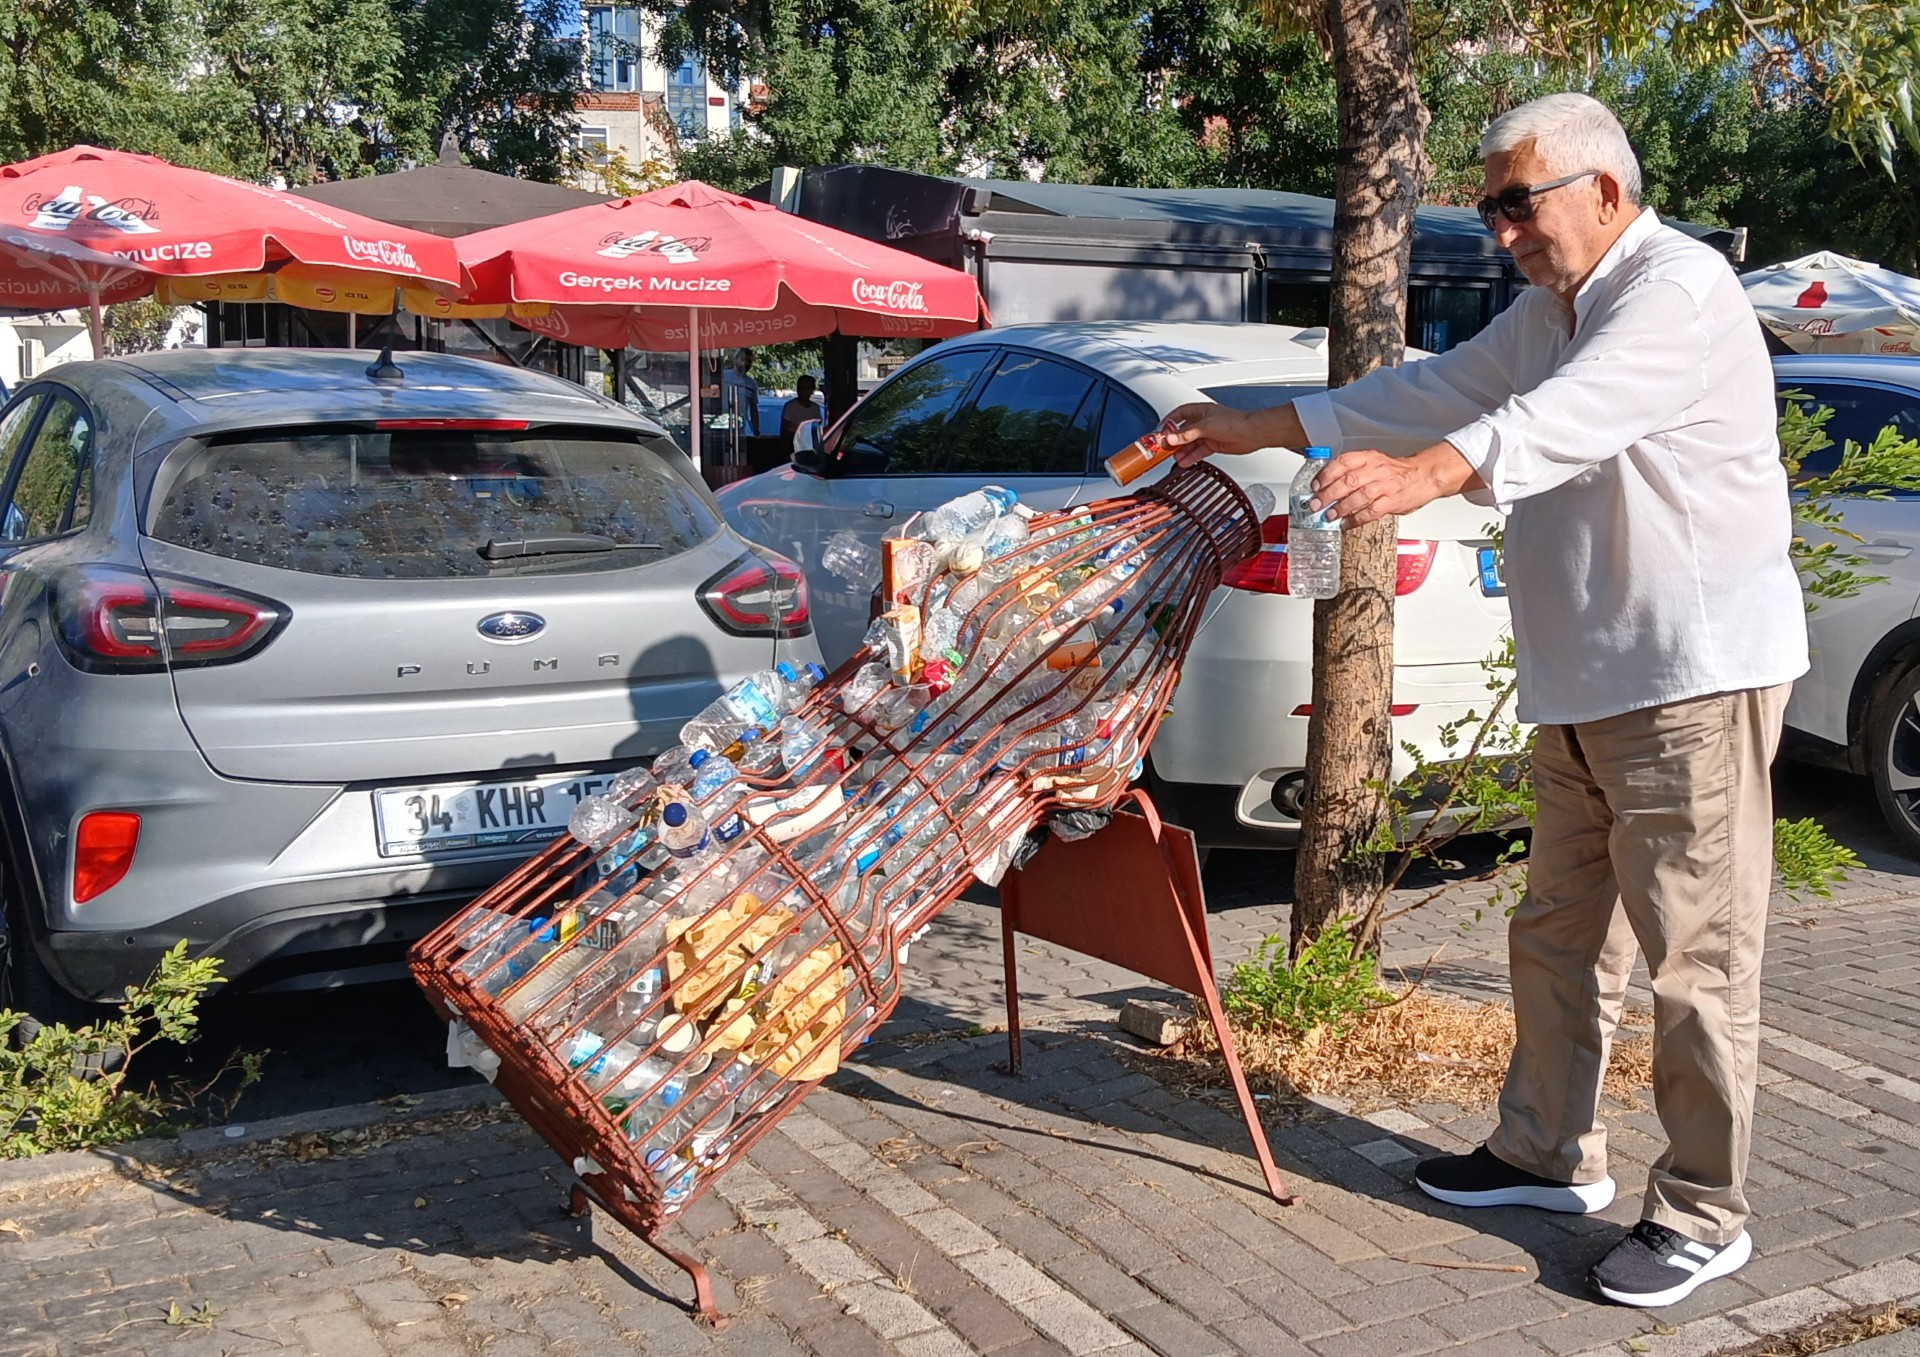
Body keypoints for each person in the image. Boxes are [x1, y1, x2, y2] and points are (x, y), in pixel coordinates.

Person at [1165, 92, 1807, 1309]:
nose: (1500, 228)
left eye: (1519, 201)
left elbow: (1556, 422)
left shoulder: (1674, 292)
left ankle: (1705, 1211)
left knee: (1697, 965)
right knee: (1558, 937)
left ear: (1604, 194)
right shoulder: (1551, 308)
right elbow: (1437, 387)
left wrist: (1424, 478)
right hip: (1584, 681)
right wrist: (1248, 426)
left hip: (1691, 679)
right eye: (1488, 205)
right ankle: (1546, 1154)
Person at [722, 348, 761, 436]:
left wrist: (756, 430)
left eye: (749, 361)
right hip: (721, 425)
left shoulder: (752, 384)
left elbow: (753, 409)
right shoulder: (723, 377)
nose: (746, 364)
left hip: (740, 430)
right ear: (735, 360)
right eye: (743, 360)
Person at [780, 375, 823, 444]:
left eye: (806, 387)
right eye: (800, 387)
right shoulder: (790, 406)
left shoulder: (816, 408)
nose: (802, 390)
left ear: (812, 390)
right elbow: (785, 432)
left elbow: (818, 429)